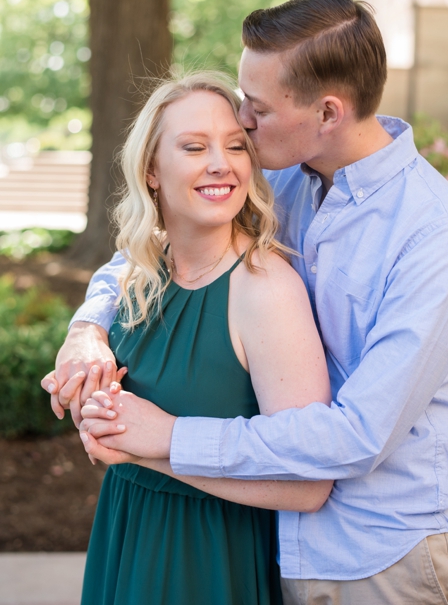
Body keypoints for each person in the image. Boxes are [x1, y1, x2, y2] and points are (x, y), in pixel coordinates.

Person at [47, 0, 448, 604]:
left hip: (382, 559)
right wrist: (88, 328)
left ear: (328, 113)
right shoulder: (281, 178)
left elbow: (359, 435)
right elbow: (151, 246)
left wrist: (165, 438)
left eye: (255, 109)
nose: (243, 127)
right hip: (266, 536)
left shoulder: (435, 235)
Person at [67, 71, 333, 605]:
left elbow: (308, 484)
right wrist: (91, 399)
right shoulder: (141, 272)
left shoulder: (265, 289)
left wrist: (148, 444)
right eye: (194, 147)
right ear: (152, 170)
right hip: (125, 535)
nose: (221, 163)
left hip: (210, 559)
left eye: (236, 145)